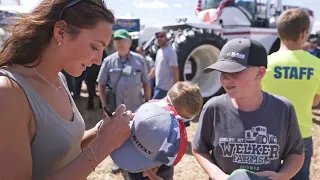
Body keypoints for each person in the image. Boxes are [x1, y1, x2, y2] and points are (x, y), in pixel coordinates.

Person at [0, 1, 132, 179]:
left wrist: (101, 131)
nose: (99, 61)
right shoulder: (8, 92)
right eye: (94, 47)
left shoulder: (59, 79)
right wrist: (103, 146)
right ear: (60, 32)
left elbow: (64, 151)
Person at [192, 38, 305, 180]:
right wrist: (216, 174)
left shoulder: (283, 109)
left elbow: (296, 153)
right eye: (222, 72)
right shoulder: (213, 108)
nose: (225, 79)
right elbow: (199, 149)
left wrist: (282, 176)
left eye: (234, 72)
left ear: (260, 73)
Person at [261, 8, 320, 180]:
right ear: (304, 34)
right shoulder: (316, 64)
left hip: (268, 136)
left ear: (278, 32)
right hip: (300, 136)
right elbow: (315, 101)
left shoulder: (265, 63)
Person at [96, 29, 151, 173]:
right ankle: (118, 162)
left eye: (122, 40)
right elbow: (100, 84)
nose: (119, 43)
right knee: (115, 136)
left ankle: (136, 161)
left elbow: (146, 82)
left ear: (130, 42)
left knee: (137, 135)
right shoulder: (108, 61)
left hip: (137, 106)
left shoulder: (140, 60)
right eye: (116, 40)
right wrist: (104, 105)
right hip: (116, 108)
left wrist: (147, 101)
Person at [126, 81, 203, 180]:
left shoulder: (160, 109)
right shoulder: (146, 116)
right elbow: (134, 147)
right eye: (182, 118)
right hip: (140, 168)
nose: (181, 123)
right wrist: (150, 174)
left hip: (163, 165)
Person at [148, 30, 179, 100]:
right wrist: (147, 78)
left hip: (166, 89)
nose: (159, 38)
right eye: (157, 37)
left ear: (166, 38)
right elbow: (156, 68)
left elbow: (175, 70)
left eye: (162, 36)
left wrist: (175, 89)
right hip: (158, 86)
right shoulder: (159, 51)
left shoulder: (170, 51)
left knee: (154, 106)